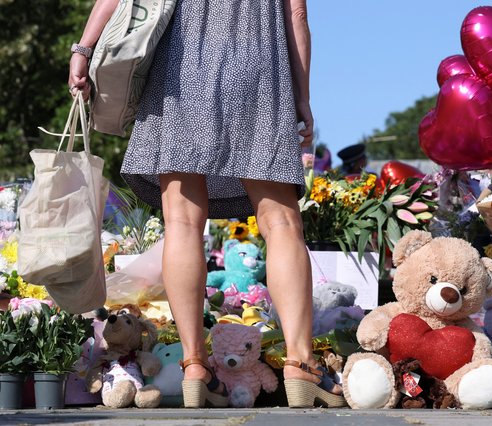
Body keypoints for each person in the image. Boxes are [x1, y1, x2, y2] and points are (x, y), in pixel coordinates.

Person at [69, 0, 345, 408]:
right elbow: (297, 15)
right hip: (260, 70)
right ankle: (300, 364)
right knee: (281, 223)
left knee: (181, 223)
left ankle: (195, 365)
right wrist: (302, 96)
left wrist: (84, 50)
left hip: (179, 72)